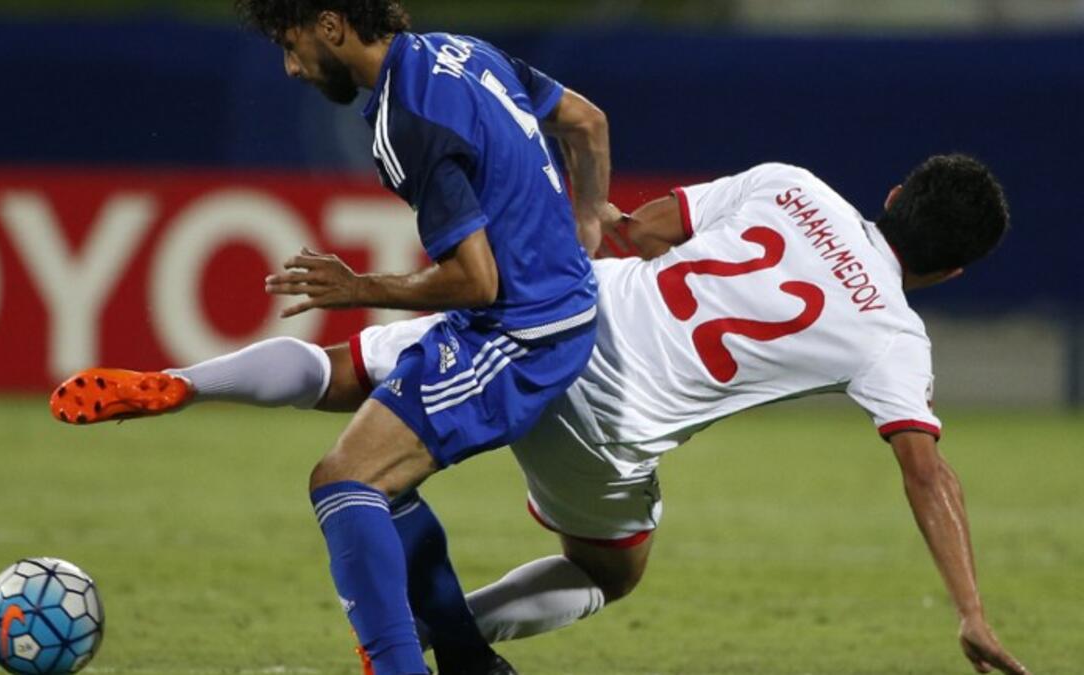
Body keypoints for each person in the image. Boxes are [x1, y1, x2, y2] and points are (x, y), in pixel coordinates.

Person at [52, 156, 1029, 674]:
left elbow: (633, 229)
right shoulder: (893, 332)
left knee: (348, 367)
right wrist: (973, 612)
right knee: (615, 565)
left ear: (895, 192)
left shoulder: (792, 185)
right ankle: (444, 642)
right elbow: (924, 468)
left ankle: (183, 383)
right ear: (947, 271)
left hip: (554, 308)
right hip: (606, 421)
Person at [57, 1, 619, 673]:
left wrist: (359, 287)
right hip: (534, 311)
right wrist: (585, 222)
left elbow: (475, 280)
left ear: (330, 26)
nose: (292, 66)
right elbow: (588, 121)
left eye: (292, 45)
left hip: (522, 332)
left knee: (343, 480)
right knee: (381, 478)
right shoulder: (465, 52)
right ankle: (470, 661)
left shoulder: (404, 117)